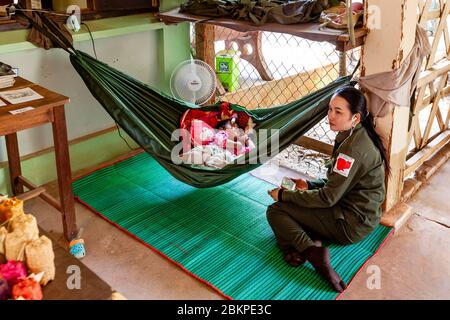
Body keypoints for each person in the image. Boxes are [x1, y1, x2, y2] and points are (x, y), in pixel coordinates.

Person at [266, 86, 389, 293]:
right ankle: (307, 242)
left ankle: (313, 254)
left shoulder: (352, 149)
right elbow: (340, 184)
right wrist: (309, 185)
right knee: (300, 205)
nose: (330, 116)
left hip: (350, 224)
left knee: (276, 210)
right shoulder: (355, 134)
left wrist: (285, 195)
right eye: (330, 109)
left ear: (355, 118)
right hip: (360, 215)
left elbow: (328, 198)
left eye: (338, 112)